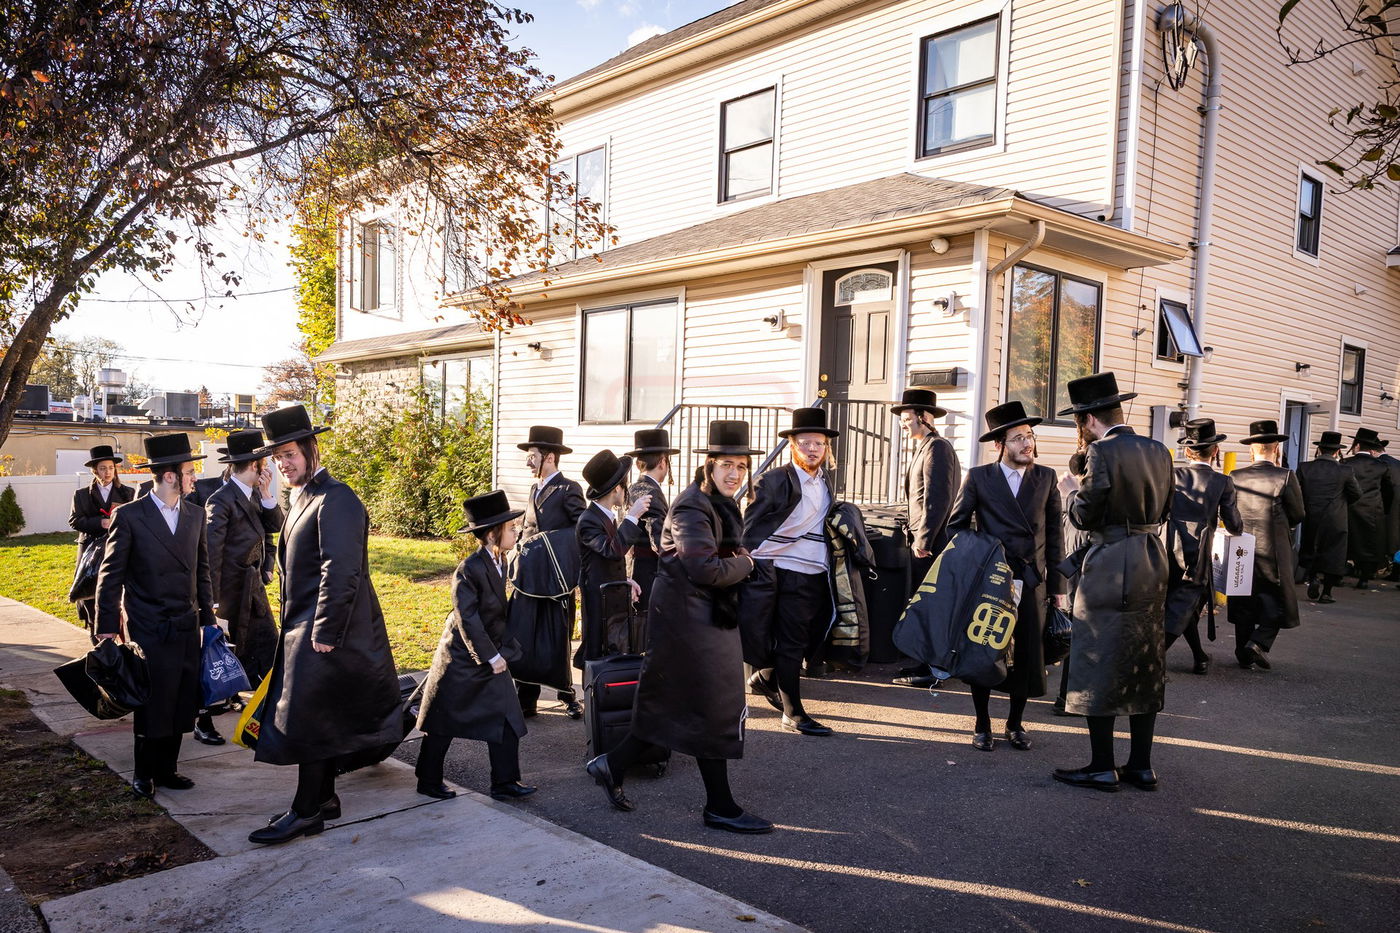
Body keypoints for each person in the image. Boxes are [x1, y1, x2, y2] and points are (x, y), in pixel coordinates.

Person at [585, 420, 771, 834]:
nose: (734, 474)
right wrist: (747, 563)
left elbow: (719, 552)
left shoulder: (718, 504)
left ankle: (609, 764)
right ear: (708, 465)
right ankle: (720, 806)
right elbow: (703, 568)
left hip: (702, 618)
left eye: (741, 466)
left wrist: (738, 557)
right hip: (690, 624)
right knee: (712, 709)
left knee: (672, 709)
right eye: (726, 464)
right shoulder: (691, 506)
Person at [248, 405, 401, 846]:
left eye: (290, 454)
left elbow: (342, 570)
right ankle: (326, 798)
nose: (283, 463)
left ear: (312, 448)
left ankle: (306, 810)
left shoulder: (338, 499)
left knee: (309, 721)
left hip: (328, 631)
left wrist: (325, 633)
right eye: (277, 458)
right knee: (322, 718)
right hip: (305, 626)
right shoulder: (305, 496)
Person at [1055, 372, 1173, 793]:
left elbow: (1085, 516)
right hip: (1151, 560)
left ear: (1087, 419)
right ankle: (1141, 765)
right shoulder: (1159, 449)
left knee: (1097, 657)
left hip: (1111, 565)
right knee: (1146, 660)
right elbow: (1168, 507)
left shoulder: (1101, 452)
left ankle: (1102, 765)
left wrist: (1070, 491)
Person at [92, 433, 216, 800]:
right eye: (190, 471)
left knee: (181, 699)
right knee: (153, 701)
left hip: (186, 623)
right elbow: (110, 575)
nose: (196, 477)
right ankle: (144, 772)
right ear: (170, 476)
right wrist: (106, 629)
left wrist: (208, 621)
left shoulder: (195, 514)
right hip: (148, 626)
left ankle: (168, 770)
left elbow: (202, 570)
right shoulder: (130, 516)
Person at [946, 401, 1064, 751]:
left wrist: (1058, 587)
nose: (1027, 444)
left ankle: (1016, 723)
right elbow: (956, 527)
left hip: (1030, 582)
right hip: (992, 581)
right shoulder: (980, 477)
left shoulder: (1046, 477)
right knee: (984, 652)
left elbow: (1055, 535)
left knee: (1027, 656)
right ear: (999, 445)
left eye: (1029, 436)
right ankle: (982, 723)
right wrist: (986, 556)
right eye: (1017, 438)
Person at [414, 490, 534, 802]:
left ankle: (505, 782)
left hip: (490, 652)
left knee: (509, 716)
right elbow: (467, 618)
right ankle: (427, 779)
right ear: (494, 533)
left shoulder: (501, 560)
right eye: (511, 528)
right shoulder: (469, 569)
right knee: (443, 720)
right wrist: (491, 655)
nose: (516, 531)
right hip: (461, 658)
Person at [740, 407, 839, 737]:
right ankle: (793, 713)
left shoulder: (825, 481)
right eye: (806, 442)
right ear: (792, 445)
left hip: (816, 571)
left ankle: (765, 677)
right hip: (782, 570)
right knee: (792, 641)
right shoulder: (772, 480)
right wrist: (745, 563)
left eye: (819, 443)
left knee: (809, 636)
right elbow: (749, 527)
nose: (813, 449)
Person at [889, 388, 961, 689]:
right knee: (924, 604)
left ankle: (935, 669)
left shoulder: (938, 448)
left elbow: (937, 499)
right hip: (922, 541)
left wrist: (925, 540)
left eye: (907, 419)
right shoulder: (924, 447)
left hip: (932, 545)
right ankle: (925, 661)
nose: (904, 424)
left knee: (933, 606)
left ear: (925, 417)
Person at [514, 425, 587, 719]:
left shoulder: (569, 488)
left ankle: (567, 694)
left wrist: (549, 546)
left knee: (557, 635)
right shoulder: (534, 488)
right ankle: (526, 699)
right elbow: (529, 529)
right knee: (527, 634)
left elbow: (580, 529)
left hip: (557, 578)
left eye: (532, 456)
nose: (528, 461)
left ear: (550, 457)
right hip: (530, 576)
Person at [204, 429, 284, 692]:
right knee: (231, 652)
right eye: (264, 465)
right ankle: (222, 704)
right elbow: (211, 552)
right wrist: (212, 599)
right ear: (254, 465)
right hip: (230, 593)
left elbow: (275, 526)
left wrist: (267, 492)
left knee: (268, 646)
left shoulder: (255, 494)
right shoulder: (221, 500)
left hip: (254, 587)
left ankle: (264, 697)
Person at [1163, 419, 1243, 675]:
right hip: (1197, 553)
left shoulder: (1172, 475)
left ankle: (1200, 657)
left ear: (1187, 451)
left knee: (1183, 606)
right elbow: (1234, 525)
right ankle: (1150, 659)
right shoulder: (1222, 482)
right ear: (1216, 451)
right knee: (1182, 607)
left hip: (1166, 545)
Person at [1228, 420, 1306, 671]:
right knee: (1279, 600)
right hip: (1274, 547)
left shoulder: (1235, 476)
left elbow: (1229, 512)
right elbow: (1298, 513)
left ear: (1251, 450)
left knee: (1243, 599)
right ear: (1277, 450)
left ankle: (1242, 652)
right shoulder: (1285, 476)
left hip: (1242, 546)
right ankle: (1258, 642)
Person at [577, 449, 649, 660]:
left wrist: (625, 580)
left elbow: (606, 562)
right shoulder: (588, 520)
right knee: (597, 656)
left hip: (613, 599)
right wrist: (633, 516)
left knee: (615, 654)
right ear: (617, 489)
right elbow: (612, 549)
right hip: (599, 603)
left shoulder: (605, 516)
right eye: (625, 486)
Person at [69, 444, 135, 642]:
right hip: (90, 550)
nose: (107, 472)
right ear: (95, 470)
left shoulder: (127, 493)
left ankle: (122, 636)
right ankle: (95, 634)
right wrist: (101, 522)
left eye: (111, 468)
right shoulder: (81, 495)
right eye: (103, 468)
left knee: (116, 592)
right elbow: (75, 520)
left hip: (117, 549)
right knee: (90, 592)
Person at [1296, 431, 1361, 604]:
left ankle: (1313, 577)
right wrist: (1343, 503)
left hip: (1311, 516)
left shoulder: (1304, 468)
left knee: (1311, 547)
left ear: (1319, 449)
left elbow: (1297, 494)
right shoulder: (1345, 471)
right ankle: (1327, 592)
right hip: (1336, 517)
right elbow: (1356, 494)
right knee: (1334, 553)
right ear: (1337, 452)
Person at [624, 429, 679, 611]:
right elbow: (660, 541)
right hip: (650, 573)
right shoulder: (652, 492)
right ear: (663, 462)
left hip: (634, 567)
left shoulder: (633, 488)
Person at [1343, 428, 1396, 589]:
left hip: (1349, 508)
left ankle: (1340, 573)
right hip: (1373, 509)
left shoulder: (1346, 464)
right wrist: (1383, 508)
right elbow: (1388, 491)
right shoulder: (1381, 466)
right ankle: (1364, 578)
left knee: (1348, 542)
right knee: (1369, 545)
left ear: (1357, 445)